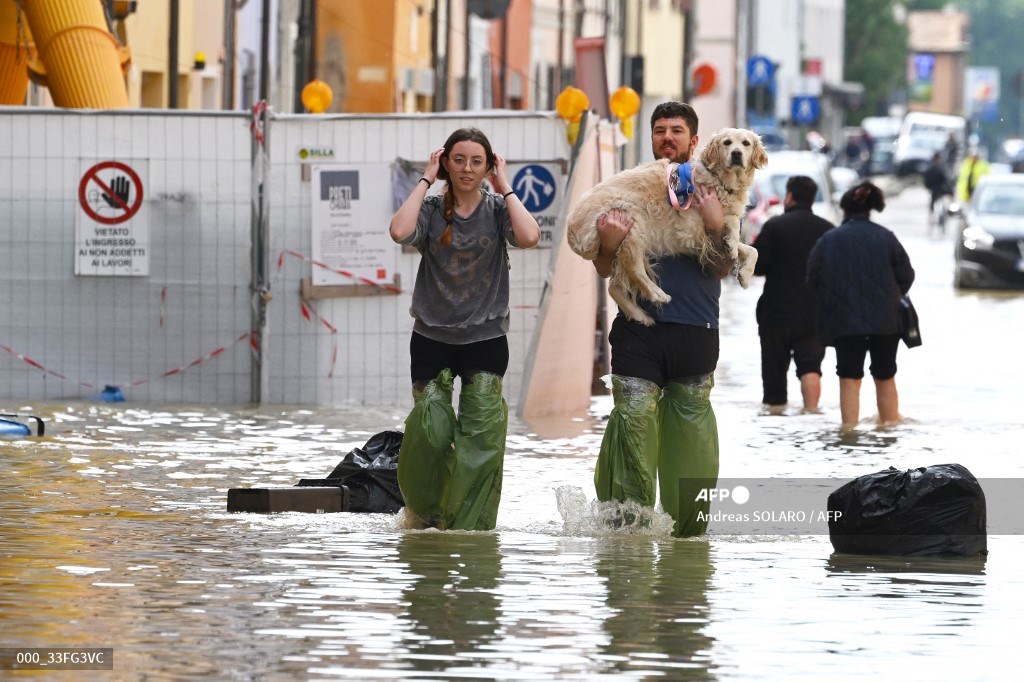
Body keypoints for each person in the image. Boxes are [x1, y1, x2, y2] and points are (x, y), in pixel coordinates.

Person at [389, 127, 541, 530]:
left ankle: (468, 529)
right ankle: (427, 516)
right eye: (458, 160)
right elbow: (399, 231)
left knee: (481, 440)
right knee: (430, 433)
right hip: (431, 338)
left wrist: (505, 184)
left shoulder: (495, 209)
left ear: (488, 165)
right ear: (446, 164)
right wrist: (425, 177)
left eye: (477, 161)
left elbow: (529, 236)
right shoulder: (431, 209)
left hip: (485, 340)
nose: (467, 169)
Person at [590, 101, 729, 537]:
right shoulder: (631, 188)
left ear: (694, 138)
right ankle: (628, 533)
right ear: (651, 138)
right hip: (637, 332)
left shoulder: (716, 190)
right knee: (632, 423)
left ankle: (688, 541)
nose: (667, 138)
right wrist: (609, 244)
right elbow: (603, 267)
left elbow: (724, 267)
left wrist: (714, 225)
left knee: (691, 443)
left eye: (676, 130)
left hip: (695, 331)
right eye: (660, 131)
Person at [806, 181, 915, 430]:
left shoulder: (828, 240)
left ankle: (849, 433)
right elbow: (906, 276)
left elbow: (813, 280)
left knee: (849, 377)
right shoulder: (886, 237)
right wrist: (888, 297)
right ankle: (889, 430)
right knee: (885, 375)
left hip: (843, 322)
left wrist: (834, 301)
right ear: (870, 209)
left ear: (844, 209)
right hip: (886, 321)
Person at [752, 175, 833, 415]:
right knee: (811, 368)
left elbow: (757, 266)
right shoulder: (827, 230)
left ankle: (776, 420)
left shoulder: (774, 226)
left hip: (775, 314)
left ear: (789, 197)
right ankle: (811, 413)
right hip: (813, 315)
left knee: (774, 382)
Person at [923, 151, 954, 228]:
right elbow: (946, 181)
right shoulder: (938, 168)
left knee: (937, 206)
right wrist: (950, 192)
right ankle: (933, 220)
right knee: (933, 206)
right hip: (937, 190)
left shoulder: (933, 167)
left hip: (937, 191)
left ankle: (935, 219)